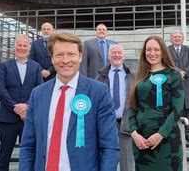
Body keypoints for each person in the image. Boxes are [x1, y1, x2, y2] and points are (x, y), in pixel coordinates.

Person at [19, 32, 119, 171]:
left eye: (71, 54)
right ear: (52, 59)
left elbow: (110, 147)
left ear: (80, 56)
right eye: (59, 55)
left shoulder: (99, 92)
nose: (65, 60)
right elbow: (28, 146)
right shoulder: (38, 94)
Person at [128, 35, 184, 171]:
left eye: (156, 50)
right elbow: (132, 107)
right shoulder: (140, 76)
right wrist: (134, 133)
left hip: (166, 141)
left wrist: (161, 134)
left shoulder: (174, 75)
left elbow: (177, 110)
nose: (152, 53)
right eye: (148, 49)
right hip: (141, 143)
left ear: (163, 51)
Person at [0, 34, 44, 171]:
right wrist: (15, 107)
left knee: (29, 154)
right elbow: (0, 88)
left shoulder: (36, 67)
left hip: (28, 118)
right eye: (19, 45)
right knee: (4, 154)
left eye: (25, 45)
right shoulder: (5, 65)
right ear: (15, 47)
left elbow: (39, 88)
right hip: (8, 117)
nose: (22, 48)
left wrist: (27, 106)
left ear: (28, 48)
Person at [95, 44, 135, 171]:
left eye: (119, 53)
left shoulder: (132, 76)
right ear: (108, 56)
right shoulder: (101, 76)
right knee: (106, 159)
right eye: (113, 53)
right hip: (106, 124)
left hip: (126, 124)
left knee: (127, 162)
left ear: (123, 56)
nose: (116, 55)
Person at [168, 29, 189, 142]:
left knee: (187, 110)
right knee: (174, 109)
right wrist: (178, 72)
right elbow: (168, 63)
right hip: (173, 84)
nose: (177, 38)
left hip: (188, 83)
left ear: (182, 38)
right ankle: (174, 132)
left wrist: (184, 72)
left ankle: (187, 133)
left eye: (179, 37)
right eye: (175, 37)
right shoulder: (167, 50)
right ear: (171, 39)